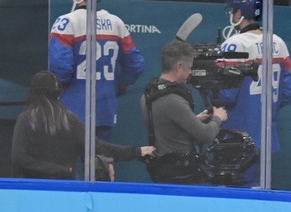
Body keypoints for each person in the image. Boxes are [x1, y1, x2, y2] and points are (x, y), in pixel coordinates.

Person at [12, 71, 150, 179]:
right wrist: (137, 152)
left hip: (32, 191)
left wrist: (56, 170)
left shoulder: (25, 119)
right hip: (65, 190)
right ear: (57, 93)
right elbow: (99, 147)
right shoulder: (69, 120)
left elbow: (20, 159)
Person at [215, 0, 291, 187]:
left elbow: (226, 95)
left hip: (236, 133)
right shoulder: (278, 42)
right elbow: (288, 92)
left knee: (235, 194)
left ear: (240, 13)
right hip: (267, 135)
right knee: (260, 190)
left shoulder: (234, 44)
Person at [46, 0, 143, 142]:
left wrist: (60, 87)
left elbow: (61, 67)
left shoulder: (66, 22)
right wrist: (119, 85)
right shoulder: (117, 24)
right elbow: (135, 64)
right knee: (102, 160)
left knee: (67, 162)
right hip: (105, 108)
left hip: (72, 107)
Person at [142, 39, 228, 180]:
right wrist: (218, 117)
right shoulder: (173, 100)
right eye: (189, 68)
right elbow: (205, 135)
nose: (190, 73)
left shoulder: (150, 93)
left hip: (160, 168)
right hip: (180, 173)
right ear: (179, 67)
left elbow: (168, 125)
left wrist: (194, 119)